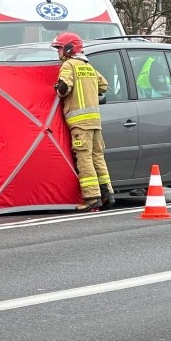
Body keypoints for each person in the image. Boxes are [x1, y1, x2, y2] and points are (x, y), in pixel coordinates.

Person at [52, 32, 114, 212]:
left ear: (69, 48)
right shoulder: (88, 66)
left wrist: (56, 87)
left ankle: (91, 198)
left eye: (60, 48)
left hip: (80, 124)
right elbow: (104, 85)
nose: (58, 53)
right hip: (95, 122)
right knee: (97, 157)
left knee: (84, 159)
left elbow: (63, 89)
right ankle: (107, 194)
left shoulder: (68, 65)